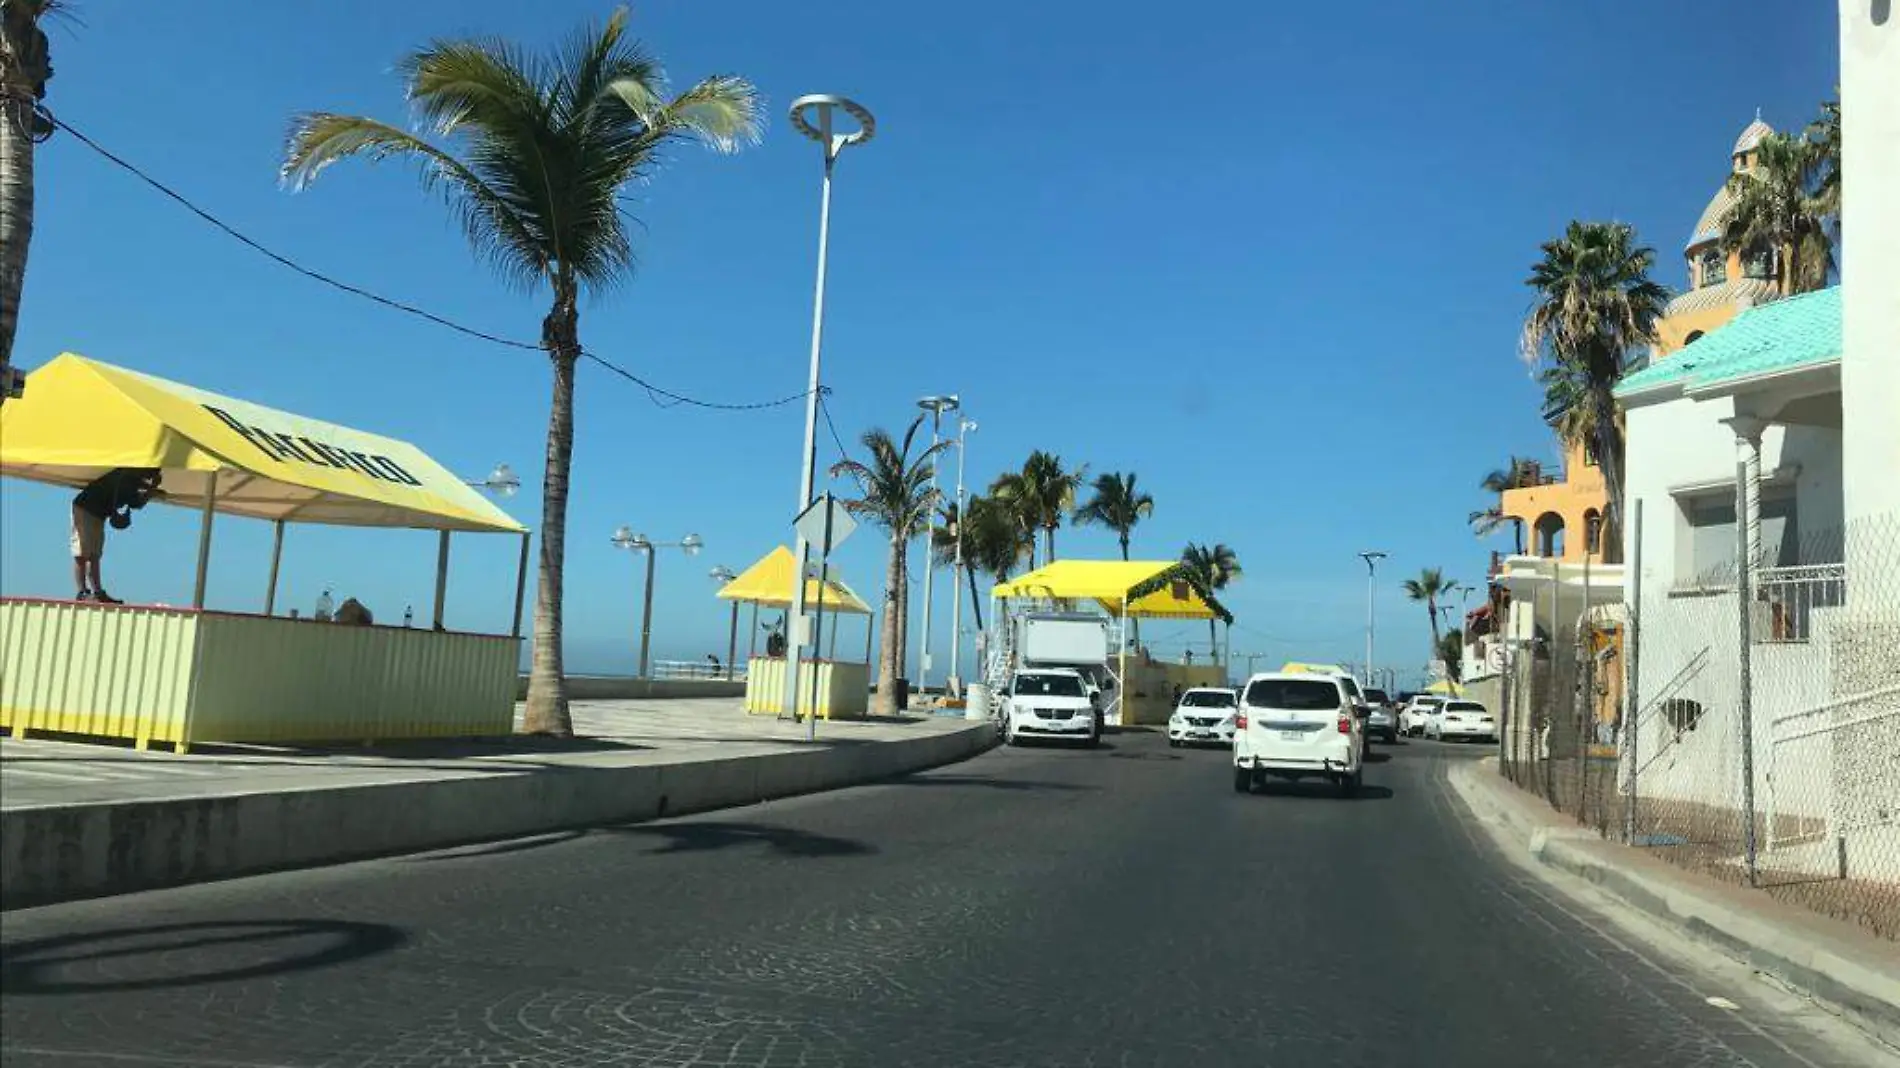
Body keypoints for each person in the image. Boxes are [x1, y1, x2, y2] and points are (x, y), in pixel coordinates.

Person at [71, 468, 162, 604]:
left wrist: (149, 488)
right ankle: (83, 593)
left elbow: (134, 497)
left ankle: (97, 592)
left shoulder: (130, 476)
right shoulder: (127, 477)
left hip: (98, 513)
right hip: (85, 508)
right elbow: (136, 503)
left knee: (94, 554)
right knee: (82, 552)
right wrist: (151, 488)